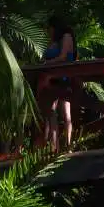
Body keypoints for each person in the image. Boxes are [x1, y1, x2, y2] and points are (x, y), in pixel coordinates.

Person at [42, 15, 76, 152]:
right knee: (51, 113)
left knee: (65, 113)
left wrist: (47, 63)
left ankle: (68, 146)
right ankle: (54, 147)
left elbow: (63, 57)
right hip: (52, 79)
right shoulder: (54, 40)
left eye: (49, 28)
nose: (48, 31)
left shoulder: (67, 37)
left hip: (63, 78)